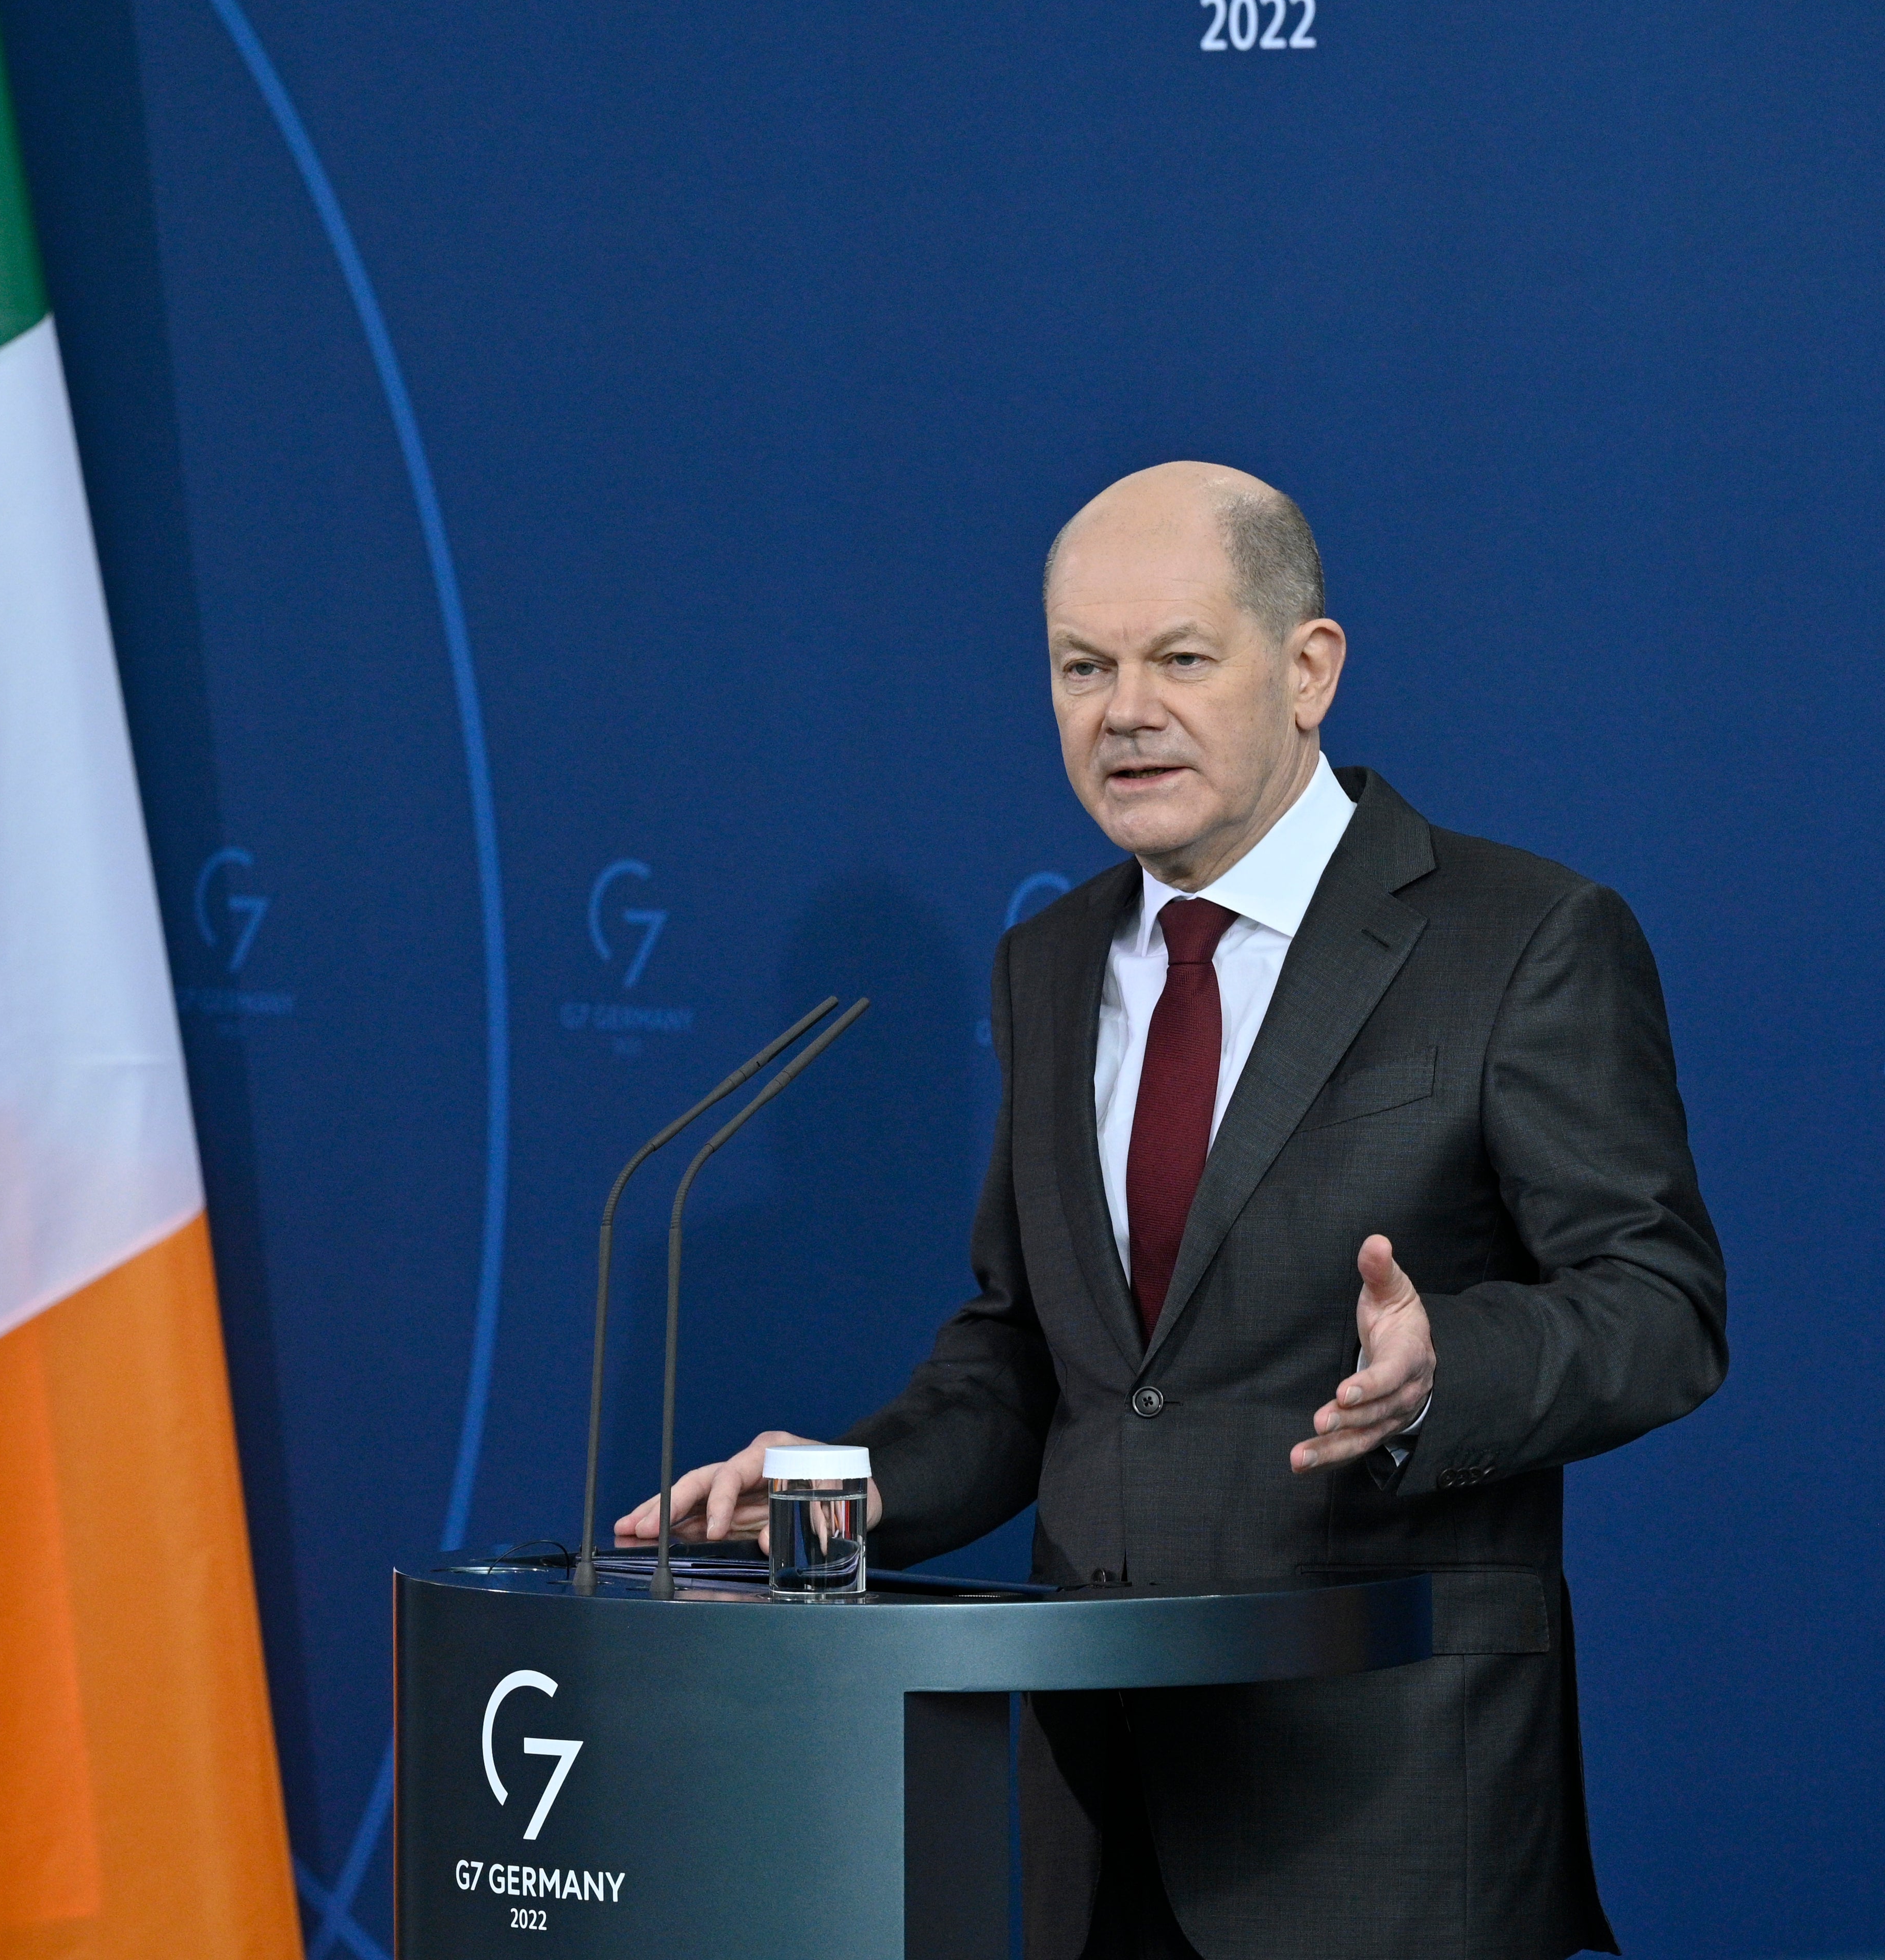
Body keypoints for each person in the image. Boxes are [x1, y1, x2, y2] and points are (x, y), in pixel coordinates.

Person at [619, 463, 1726, 1960]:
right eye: (1083, 668)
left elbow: (1661, 1304)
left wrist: (1440, 1372)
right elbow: (1032, 1355)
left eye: (1181, 659)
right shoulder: (1050, 962)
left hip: (1385, 1814)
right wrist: (846, 1486)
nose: (1125, 712)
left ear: (1309, 670)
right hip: (1095, 1821)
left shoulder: (1520, 937)